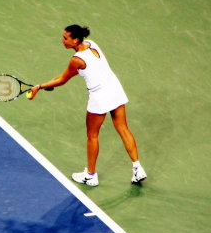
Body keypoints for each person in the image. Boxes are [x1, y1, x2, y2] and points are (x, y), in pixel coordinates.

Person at [28, 24, 147, 186]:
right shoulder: (92, 44)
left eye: (65, 38)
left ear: (75, 40)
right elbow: (72, 75)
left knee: (92, 136)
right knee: (123, 128)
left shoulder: (76, 60)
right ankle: (138, 168)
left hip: (100, 96)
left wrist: (40, 86)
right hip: (115, 89)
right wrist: (47, 85)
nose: (62, 41)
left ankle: (91, 175)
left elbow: (63, 79)